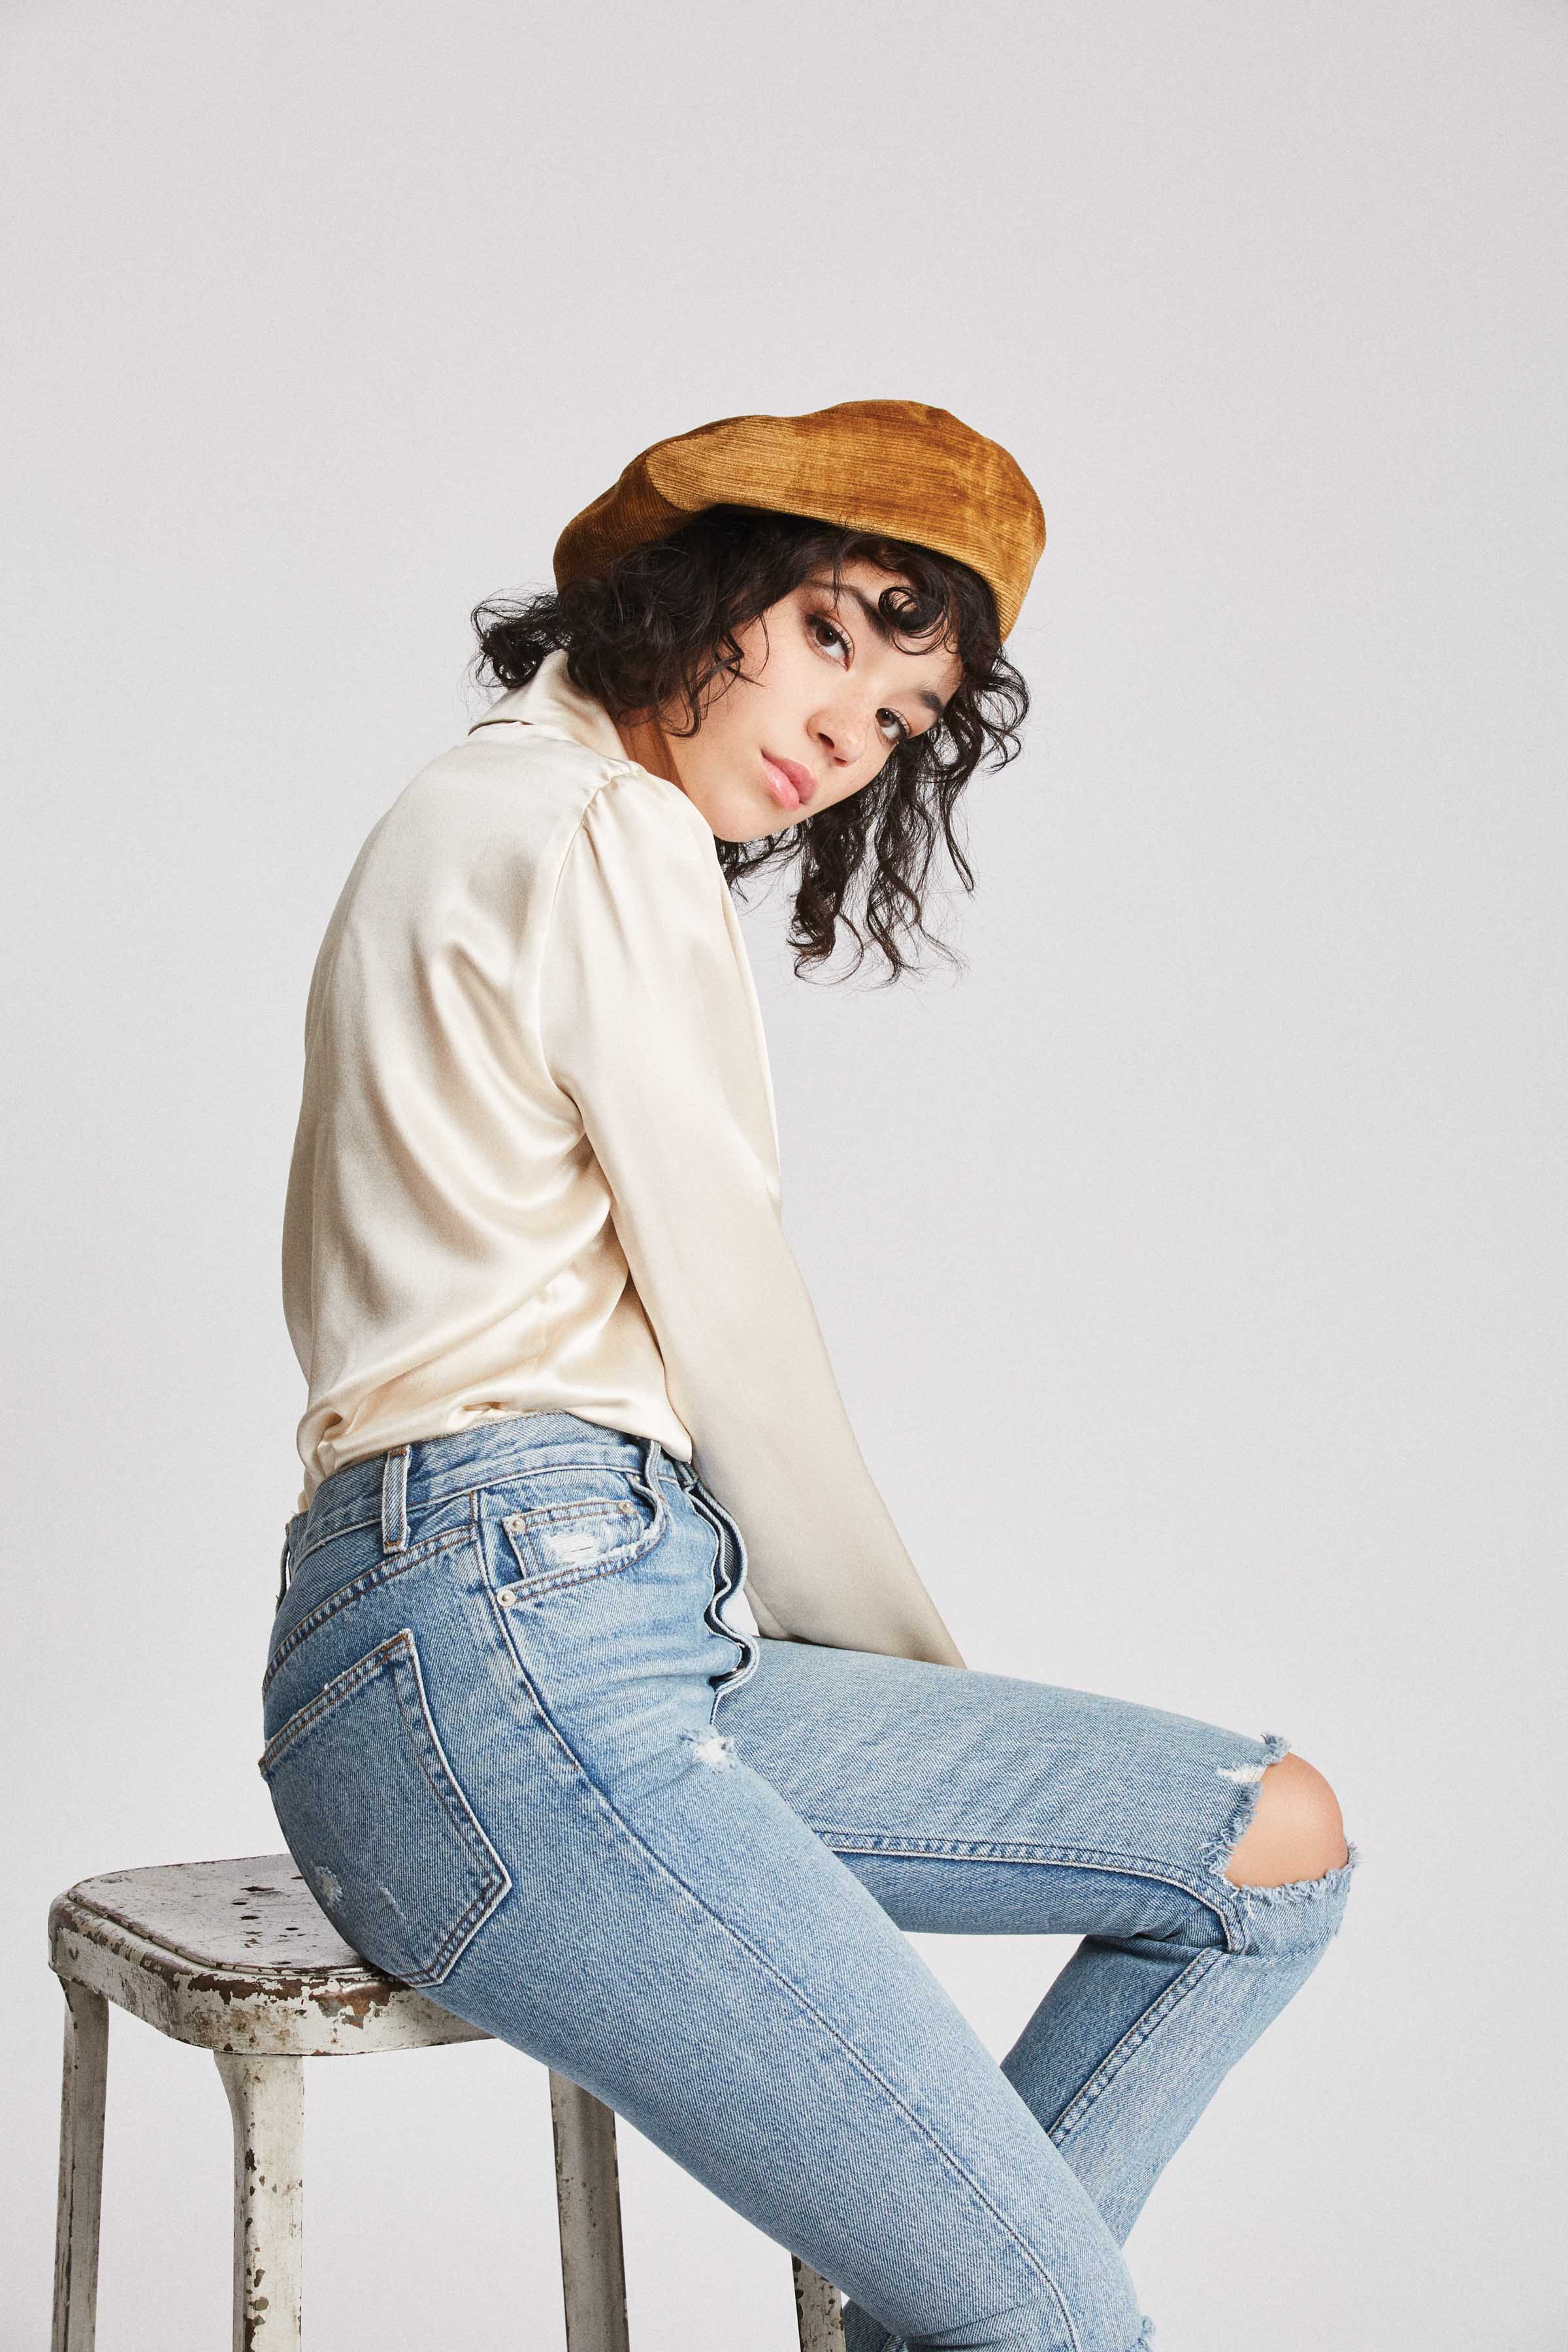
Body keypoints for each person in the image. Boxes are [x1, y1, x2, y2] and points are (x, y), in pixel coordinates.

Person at [261, 399, 1357, 2352]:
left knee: (1273, 1840)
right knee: (1058, 2325)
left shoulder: (476, 806)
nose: (848, 734)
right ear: (705, 587)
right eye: (832, 634)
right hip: (513, 1636)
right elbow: (731, 1315)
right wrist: (923, 1693)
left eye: (903, 713)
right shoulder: (606, 830)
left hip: (535, 1633)